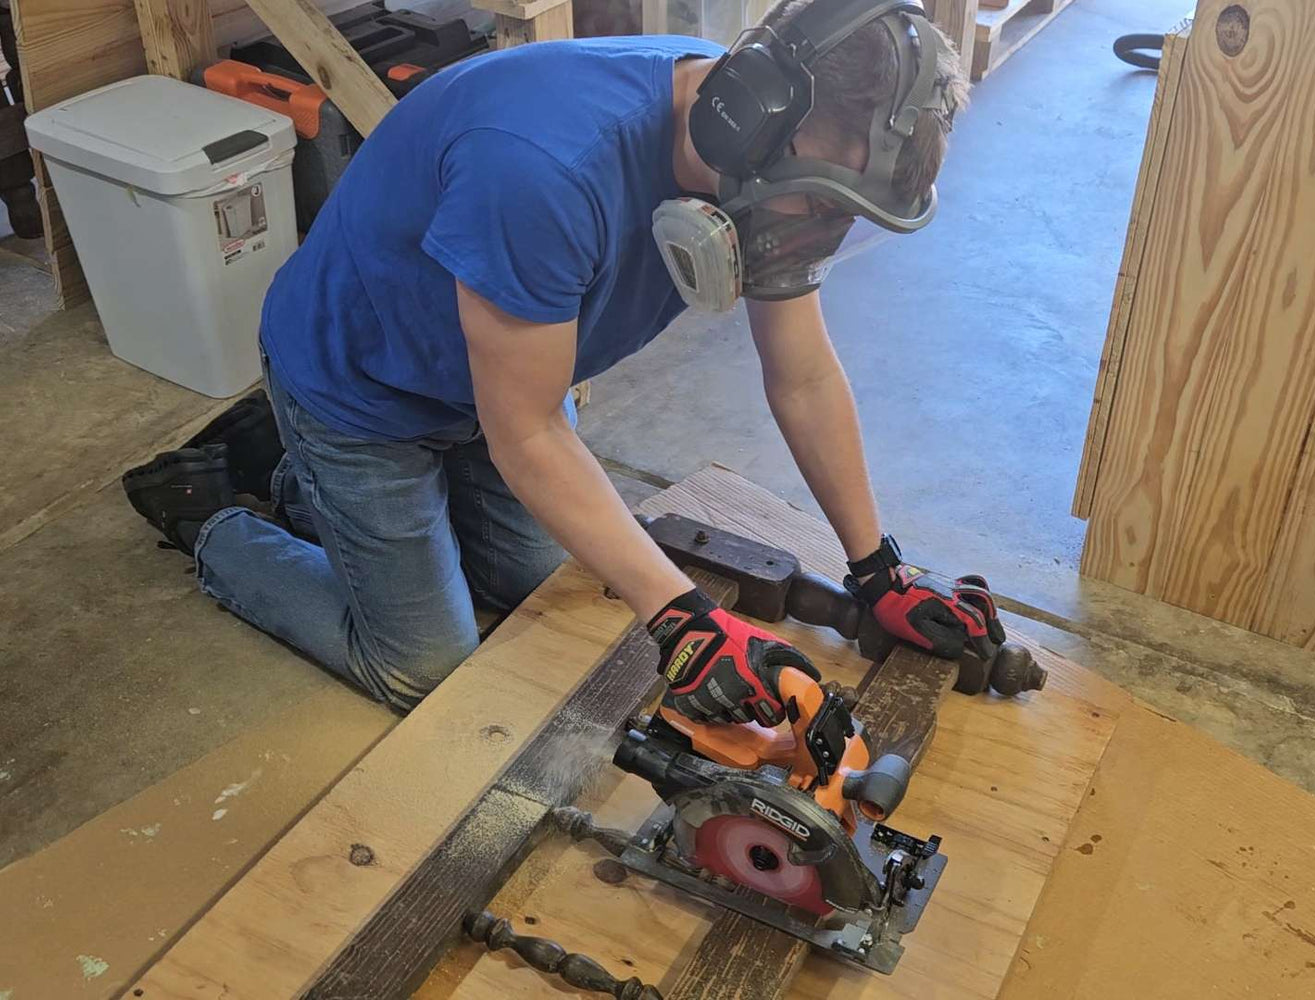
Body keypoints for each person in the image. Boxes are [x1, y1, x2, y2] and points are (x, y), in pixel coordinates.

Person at [123, 0, 1008, 719]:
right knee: (429, 667)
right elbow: (531, 431)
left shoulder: (759, 140)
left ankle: (309, 492)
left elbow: (804, 376)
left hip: (495, 385)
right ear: (750, 116)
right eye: (818, 206)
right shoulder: (543, 170)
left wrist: (878, 569)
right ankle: (214, 522)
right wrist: (685, 621)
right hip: (362, 390)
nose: (818, 233)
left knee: (551, 594)